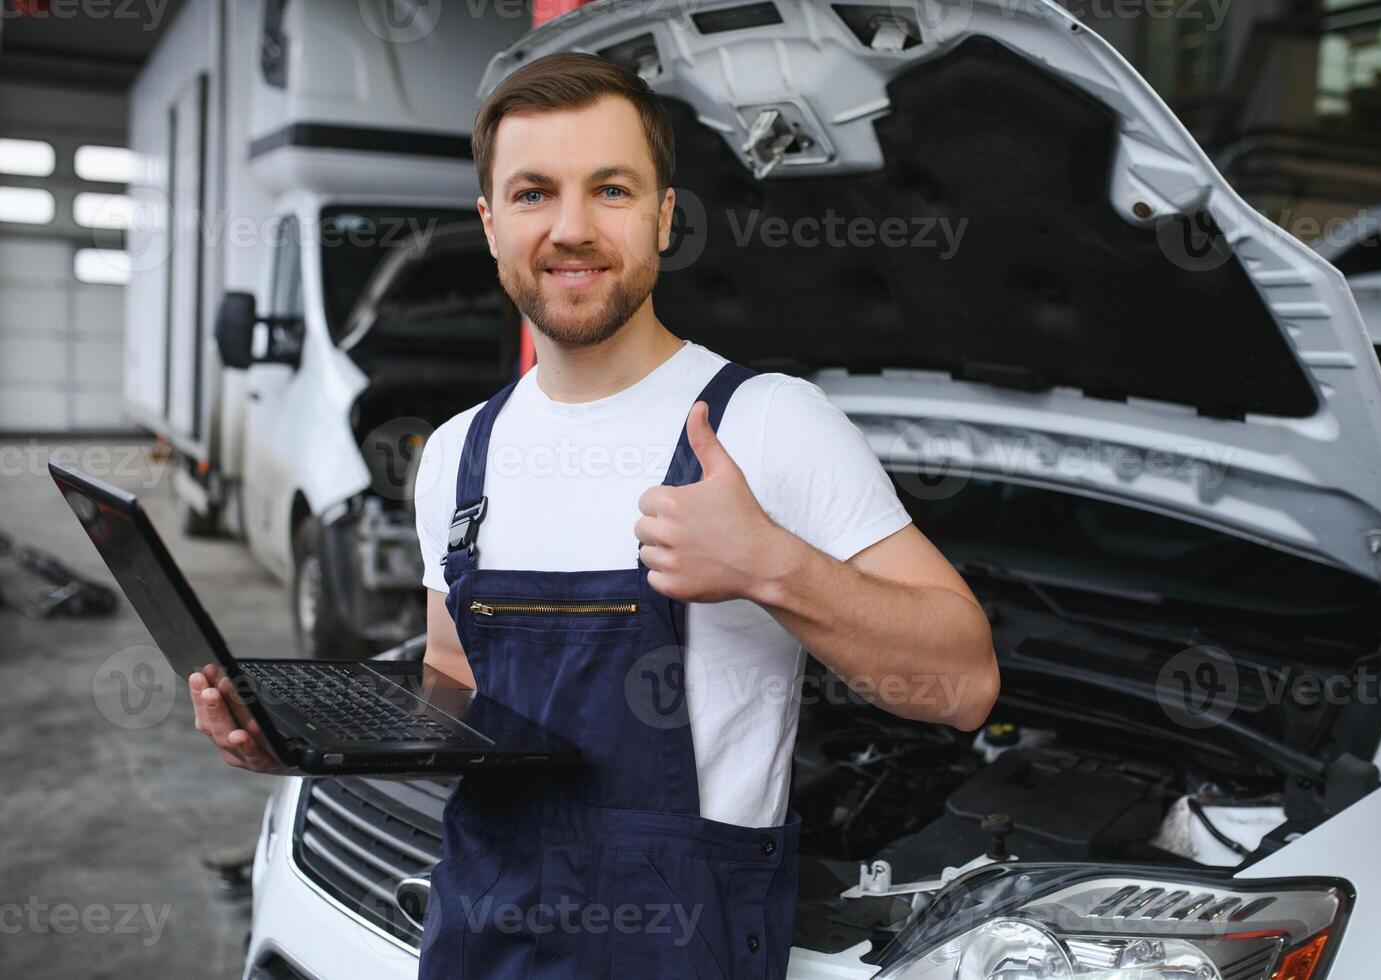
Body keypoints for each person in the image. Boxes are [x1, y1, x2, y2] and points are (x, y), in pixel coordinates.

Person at [190, 51, 998, 980]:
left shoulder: (767, 423)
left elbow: (963, 682)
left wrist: (772, 566)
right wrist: (308, 737)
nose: (571, 230)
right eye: (533, 194)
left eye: (609, 189)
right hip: (482, 926)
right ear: (492, 225)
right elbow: (453, 672)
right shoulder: (458, 453)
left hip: (681, 943)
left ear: (661, 216)